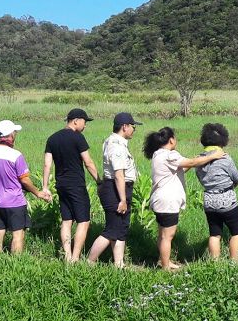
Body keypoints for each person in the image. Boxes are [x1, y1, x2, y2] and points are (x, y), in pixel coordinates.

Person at [143, 126, 225, 271]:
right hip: (167, 201)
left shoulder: (158, 154)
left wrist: (197, 160)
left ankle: (165, 261)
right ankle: (165, 267)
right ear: (171, 140)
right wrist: (213, 156)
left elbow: (181, 169)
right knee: (168, 236)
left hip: (160, 200)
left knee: (162, 234)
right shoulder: (169, 155)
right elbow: (191, 163)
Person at [0, 120, 52, 254]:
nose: (15, 134)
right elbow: (24, 180)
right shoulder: (15, 155)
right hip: (15, 202)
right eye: (14, 132)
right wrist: (38, 193)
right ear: (11, 135)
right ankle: (17, 262)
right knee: (18, 235)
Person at [42, 108, 100, 264]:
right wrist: (99, 181)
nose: (85, 125)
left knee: (67, 220)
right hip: (76, 185)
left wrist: (45, 187)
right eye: (84, 122)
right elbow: (88, 162)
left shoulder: (52, 138)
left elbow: (47, 164)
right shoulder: (78, 138)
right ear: (76, 121)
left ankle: (67, 256)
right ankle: (75, 257)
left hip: (61, 185)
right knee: (84, 221)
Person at [87, 112, 141, 268]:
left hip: (119, 188)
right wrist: (123, 200)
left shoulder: (115, 142)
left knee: (121, 229)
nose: (134, 130)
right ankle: (89, 262)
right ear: (125, 127)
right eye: (133, 127)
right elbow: (118, 175)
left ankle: (119, 264)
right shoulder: (116, 146)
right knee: (111, 230)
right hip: (115, 190)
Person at [195, 123, 238, 261]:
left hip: (209, 199)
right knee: (237, 231)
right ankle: (234, 262)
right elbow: (236, 177)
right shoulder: (225, 158)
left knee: (215, 233)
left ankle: (215, 263)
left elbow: (201, 178)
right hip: (226, 199)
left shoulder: (199, 160)